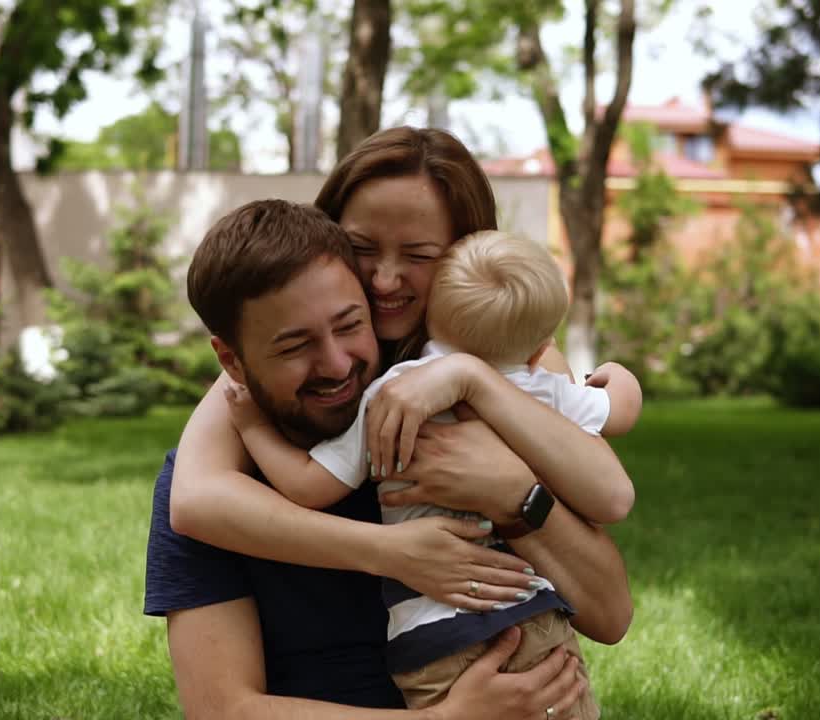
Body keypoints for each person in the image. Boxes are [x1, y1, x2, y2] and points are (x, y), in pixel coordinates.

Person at [151, 128, 635, 715]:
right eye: (361, 247)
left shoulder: (508, 380)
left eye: (420, 255)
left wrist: (513, 490)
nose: (384, 279)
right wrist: (390, 551)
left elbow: (610, 611)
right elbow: (194, 500)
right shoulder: (249, 399)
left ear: (467, 258)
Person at [220, 229, 642, 716]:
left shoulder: (393, 392)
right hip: (528, 612)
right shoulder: (537, 389)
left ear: (430, 318)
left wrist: (251, 427)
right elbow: (621, 412)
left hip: (433, 633)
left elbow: (307, 486)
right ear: (537, 349)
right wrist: (616, 373)